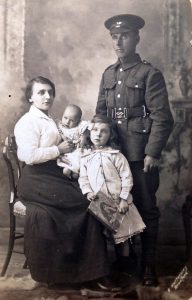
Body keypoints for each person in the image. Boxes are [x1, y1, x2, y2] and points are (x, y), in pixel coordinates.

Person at [96, 14, 174, 286]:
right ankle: (124, 264)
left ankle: (149, 267)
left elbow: (163, 117)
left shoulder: (149, 74)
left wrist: (152, 152)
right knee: (114, 209)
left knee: (146, 209)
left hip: (140, 156)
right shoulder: (107, 74)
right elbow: (100, 115)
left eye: (125, 35)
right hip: (112, 156)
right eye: (114, 36)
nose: (118, 41)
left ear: (136, 38)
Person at [14, 76, 109, 286]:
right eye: (41, 92)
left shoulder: (50, 120)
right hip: (35, 179)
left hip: (53, 175)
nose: (47, 96)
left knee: (91, 199)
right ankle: (76, 272)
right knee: (86, 202)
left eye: (50, 92)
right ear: (30, 97)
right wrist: (59, 149)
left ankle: (89, 271)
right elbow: (28, 156)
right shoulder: (27, 122)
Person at [78, 114, 146, 245]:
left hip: (119, 202)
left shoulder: (116, 156)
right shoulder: (86, 157)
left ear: (110, 135)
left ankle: (125, 262)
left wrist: (124, 199)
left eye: (104, 131)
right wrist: (88, 192)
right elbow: (83, 178)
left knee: (123, 236)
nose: (98, 134)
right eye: (95, 130)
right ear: (89, 132)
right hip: (100, 203)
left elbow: (127, 177)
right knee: (101, 237)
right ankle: (105, 262)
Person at [57, 104, 89, 178]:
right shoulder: (60, 126)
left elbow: (87, 128)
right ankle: (68, 170)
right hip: (67, 150)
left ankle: (76, 172)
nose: (67, 122)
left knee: (79, 158)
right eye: (65, 118)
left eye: (71, 120)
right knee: (66, 159)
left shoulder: (79, 126)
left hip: (77, 149)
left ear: (78, 122)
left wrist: (83, 137)